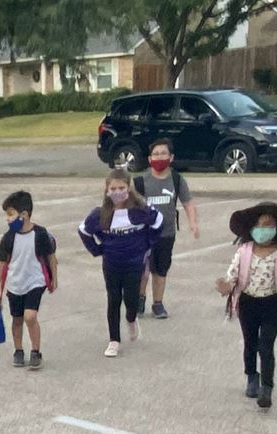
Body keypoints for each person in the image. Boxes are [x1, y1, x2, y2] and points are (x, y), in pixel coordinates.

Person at [216, 200, 277, 410]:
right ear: (252, 228)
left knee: (266, 346)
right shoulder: (244, 251)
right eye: (260, 225)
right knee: (250, 343)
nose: (264, 230)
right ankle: (252, 377)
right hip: (248, 303)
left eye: (269, 226)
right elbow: (233, 274)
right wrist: (226, 285)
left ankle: (267, 387)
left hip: (271, 304)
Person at [79, 168, 162, 357]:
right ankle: (114, 340)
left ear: (128, 188)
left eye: (121, 188)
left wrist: (147, 243)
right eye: (113, 188)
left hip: (134, 263)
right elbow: (83, 230)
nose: (118, 192)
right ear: (107, 190)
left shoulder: (141, 210)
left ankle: (131, 318)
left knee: (131, 299)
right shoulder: (100, 214)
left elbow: (159, 222)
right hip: (111, 263)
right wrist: (97, 249)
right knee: (113, 298)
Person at [132, 141, 199, 319]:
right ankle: (139, 299)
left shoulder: (177, 180)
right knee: (142, 270)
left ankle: (158, 303)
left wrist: (193, 223)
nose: (159, 157)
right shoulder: (139, 182)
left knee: (160, 270)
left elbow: (188, 203)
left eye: (163, 153)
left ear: (171, 157)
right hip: (143, 235)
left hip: (166, 234)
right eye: (156, 153)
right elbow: (129, 207)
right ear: (149, 158)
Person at [0, 189, 58, 369]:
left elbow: (51, 257)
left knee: (30, 316)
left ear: (24, 215)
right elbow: (0, 264)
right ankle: (18, 350)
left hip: (35, 282)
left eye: (10, 214)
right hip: (15, 284)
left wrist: (54, 278)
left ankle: (36, 351)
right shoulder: (9, 237)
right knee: (17, 319)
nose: (7, 219)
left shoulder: (40, 234)